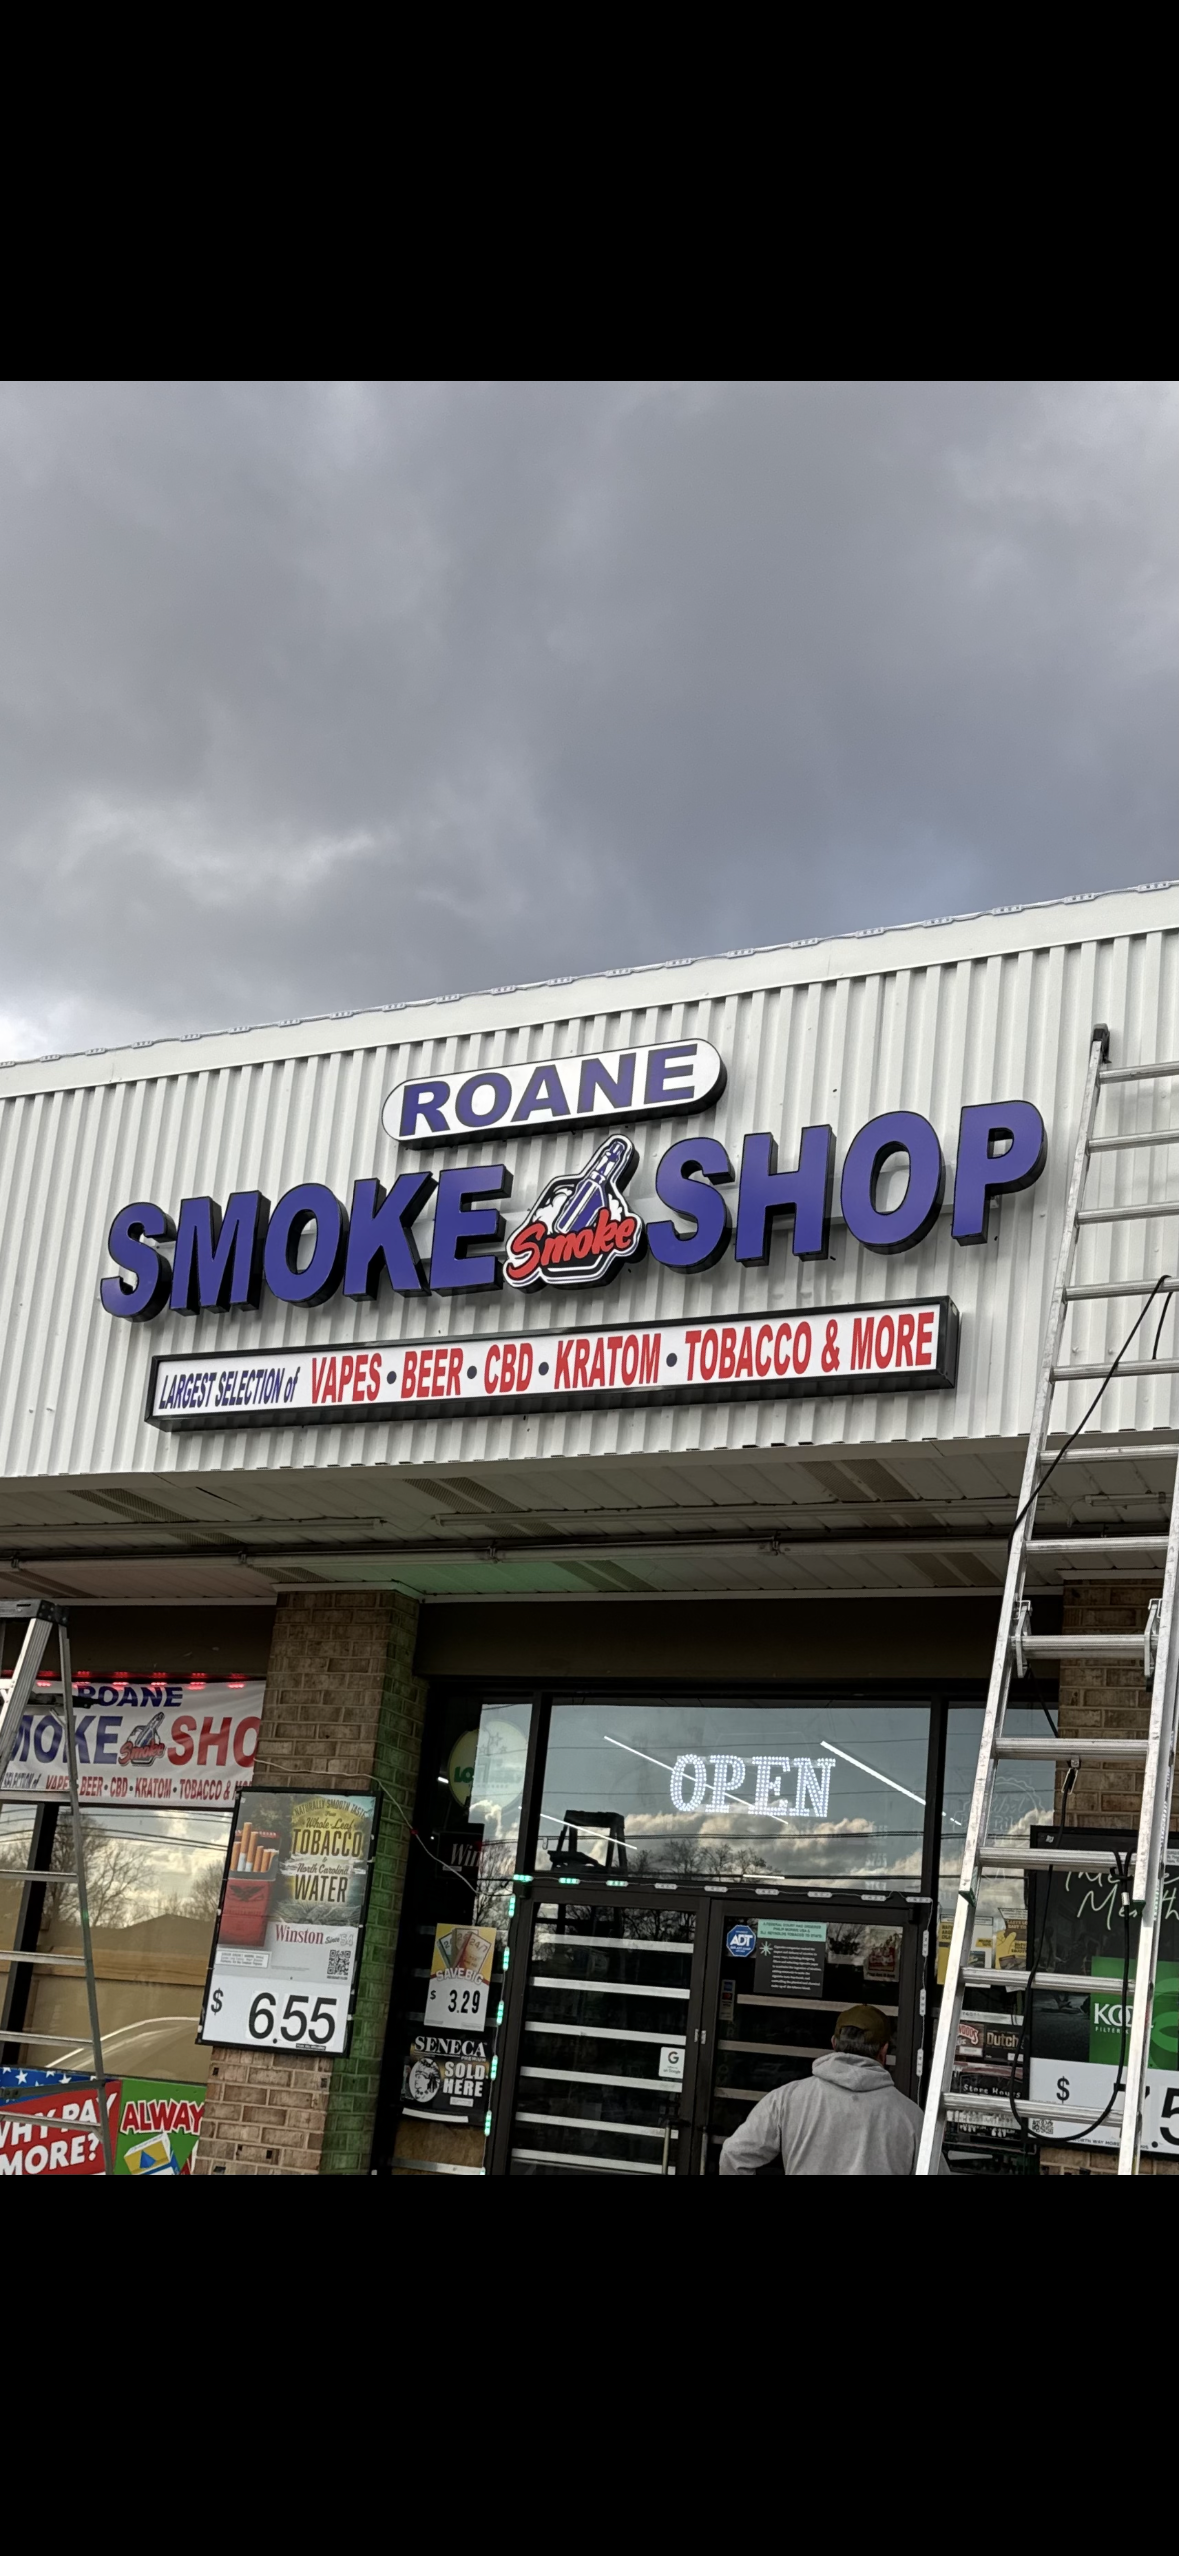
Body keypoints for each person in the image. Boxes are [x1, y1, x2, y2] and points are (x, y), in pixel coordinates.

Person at [718, 2003, 932, 2175]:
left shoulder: (787, 2100)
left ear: (833, 2043)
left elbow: (734, 2154)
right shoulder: (910, 2117)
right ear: (884, 2051)